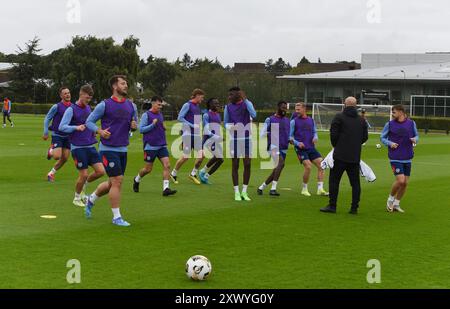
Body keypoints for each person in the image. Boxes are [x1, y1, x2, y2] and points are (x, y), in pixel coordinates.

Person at [85, 75, 138, 227]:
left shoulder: (131, 106)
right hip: (108, 149)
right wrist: (99, 131)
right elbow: (88, 122)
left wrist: (134, 126)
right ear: (115, 86)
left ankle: (91, 199)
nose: (126, 85)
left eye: (126, 83)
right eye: (123, 83)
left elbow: (135, 125)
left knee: (111, 183)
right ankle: (116, 217)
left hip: (123, 149)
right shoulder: (104, 105)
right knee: (117, 181)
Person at [59, 85, 105, 207]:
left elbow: (89, 124)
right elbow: (62, 127)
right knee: (83, 174)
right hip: (77, 147)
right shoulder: (71, 109)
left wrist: (95, 132)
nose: (88, 100)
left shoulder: (88, 108)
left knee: (101, 171)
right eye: (87, 97)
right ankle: (77, 198)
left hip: (90, 145)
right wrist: (76, 127)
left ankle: (84, 185)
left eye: (90, 98)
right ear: (81, 94)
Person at [320, 97, 368, 215]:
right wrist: (355, 144)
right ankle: (354, 208)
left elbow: (333, 135)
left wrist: (338, 145)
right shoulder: (361, 120)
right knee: (355, 183)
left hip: (340, 155)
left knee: (334, 181)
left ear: (344, 104)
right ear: (356, 106)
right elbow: (364, 137)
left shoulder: (339, 117)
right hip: (354, 156)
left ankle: (332, 206)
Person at [133, 96, 177, 196]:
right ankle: (137, 179)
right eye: (158, 104)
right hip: (150, 146)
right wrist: (152, 125)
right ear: (153, 104)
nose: (160, 106)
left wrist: (163, 127)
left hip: (161, 145)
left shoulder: (160, 115)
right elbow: (141, 129)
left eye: (161, 105)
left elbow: (160, 125)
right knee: (148, 169)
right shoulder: (146, 115)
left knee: (167, 165)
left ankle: (166, 188)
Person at [380, 105, 419, 213]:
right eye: (392, 112)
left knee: (405, 183)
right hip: (395, 157)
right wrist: (390, 143)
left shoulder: (412, 123)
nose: (392, 114)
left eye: (394, 112)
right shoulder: (389, 124)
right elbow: (382, 137)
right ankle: (390, 199)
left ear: (401, 112)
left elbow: (417, 136)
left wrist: (415, 139)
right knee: (400, 180)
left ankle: (396, 204)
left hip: (407, 157)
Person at [224, 87, 257, 202]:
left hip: (247, 138)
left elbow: (254, 114)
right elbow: (226, 123)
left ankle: (244, 191)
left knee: (247, 164)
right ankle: (236, 192)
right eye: (228, 95)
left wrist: (246, 100)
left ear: (238, 95)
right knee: (235, 164)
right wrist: (232, 127)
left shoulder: (247, 104)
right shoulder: (227, 107)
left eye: (231, 94)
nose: (229, 97)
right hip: (234, 139)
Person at [290, 102, 329, 197]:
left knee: (322, 165)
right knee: (308, 166)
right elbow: (289, 137)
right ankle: (304, 189)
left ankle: (320, 189)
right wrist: (297, 143)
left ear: (304, 109)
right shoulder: (293, 121)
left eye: (298, 109)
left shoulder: (311, 120)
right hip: (300, 149)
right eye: (296, 109)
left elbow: (314, 131)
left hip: (311, 147)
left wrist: (315, 137)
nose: (296, 111)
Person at [170, 89, 205, 185]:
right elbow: (180, 117)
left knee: (202, 155)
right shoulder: (187, 105)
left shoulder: (197, 107)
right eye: (201, 97)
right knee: (186, 156)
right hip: (188, 134)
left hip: (196, 135)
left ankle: (193, 174)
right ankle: (173, 173)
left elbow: (197, 122)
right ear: (197, 95)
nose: (202, 99)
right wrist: (191, 125)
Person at [257, 101, 290, 197]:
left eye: (285, 108)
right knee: (281, 163)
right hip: (273, 145)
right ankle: (273, 189)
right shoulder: (270, 119)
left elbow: (288, 134)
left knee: (277, 168)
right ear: (278, 107)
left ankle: (261, 187)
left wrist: (290, 139)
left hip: (284, 146)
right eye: (283, 108)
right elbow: (262, 134)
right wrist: (271, 132)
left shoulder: (287, 120)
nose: (284, 110)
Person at [43, 87, 73, 182]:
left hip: (68, 136)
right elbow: (47, 118)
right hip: (57, 135)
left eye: (68, 93)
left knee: (65, 158)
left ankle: (51, 173)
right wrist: (46, 131)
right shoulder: (56, 106)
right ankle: (51, 151)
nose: (67, 95)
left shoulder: (73, 107)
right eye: (65, 93)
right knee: (57, 156)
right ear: (61, 95)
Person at [198, 98, 224, 185]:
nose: (217, 105)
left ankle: (205, 175)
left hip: (215, 140)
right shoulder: (206, 115)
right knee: (218, 157)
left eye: (218, 103)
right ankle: (203, 172)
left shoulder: (218, 115)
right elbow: (206, 130)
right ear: (210, 105)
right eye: (215, 103)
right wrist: (216, 136)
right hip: (208, 140)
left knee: (220, 160)